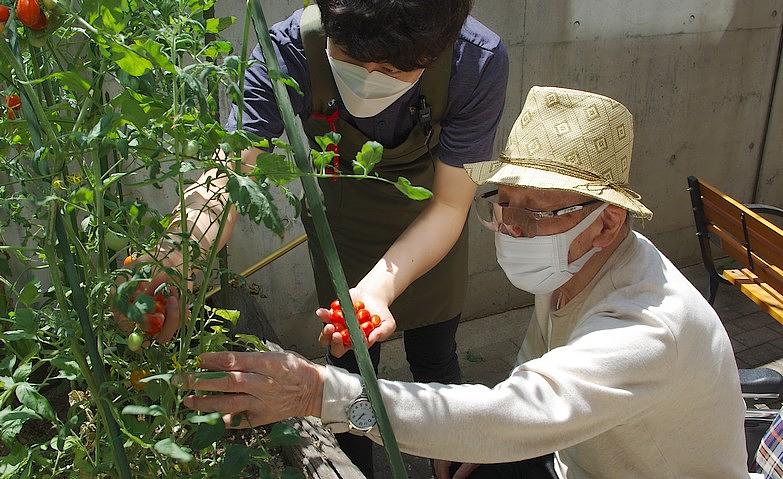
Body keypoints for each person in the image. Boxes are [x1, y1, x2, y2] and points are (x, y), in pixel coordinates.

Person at [178, 87, 748, 478]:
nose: (514, 229)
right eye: (505, 204)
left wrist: (317, 392)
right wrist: (489, 444)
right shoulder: (579, 264)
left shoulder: (647, 328)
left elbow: (515, 413)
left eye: (538, 213)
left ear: (608, 221)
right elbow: (531, 378)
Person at [131, 1, 508, 476]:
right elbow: (230, 173)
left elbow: (450, 205)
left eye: (393, 70)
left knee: (436, 362)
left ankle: (447, 462)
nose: (370, 78)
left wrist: (377, 290)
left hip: (429, 233)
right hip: (342, 234)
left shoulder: (476, 60)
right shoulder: (287, 50)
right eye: (348, 58)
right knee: (347, 374)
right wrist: (176, 256)